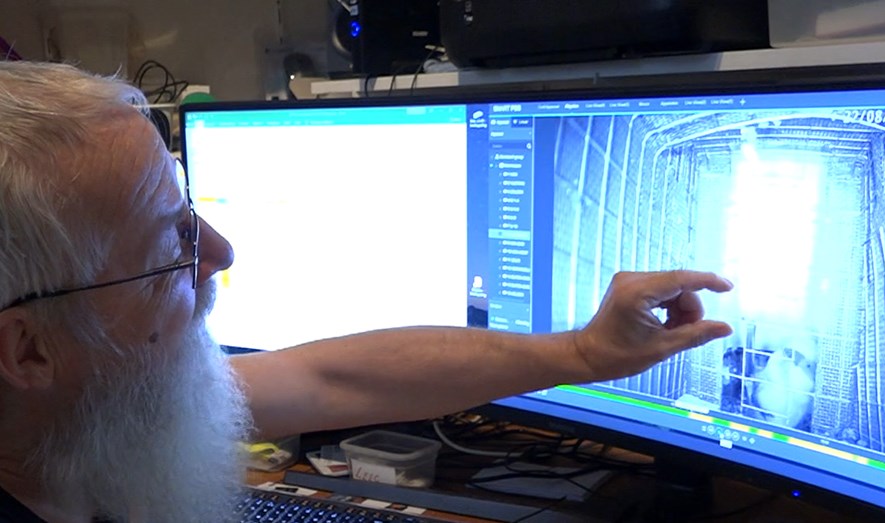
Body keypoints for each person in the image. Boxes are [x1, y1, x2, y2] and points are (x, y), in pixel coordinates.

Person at [0, 61, 734, 523]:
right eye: (171, 243)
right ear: (28, 350)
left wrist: (581, 353)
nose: (220, 254)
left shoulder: (83, 408)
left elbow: (331, 378)